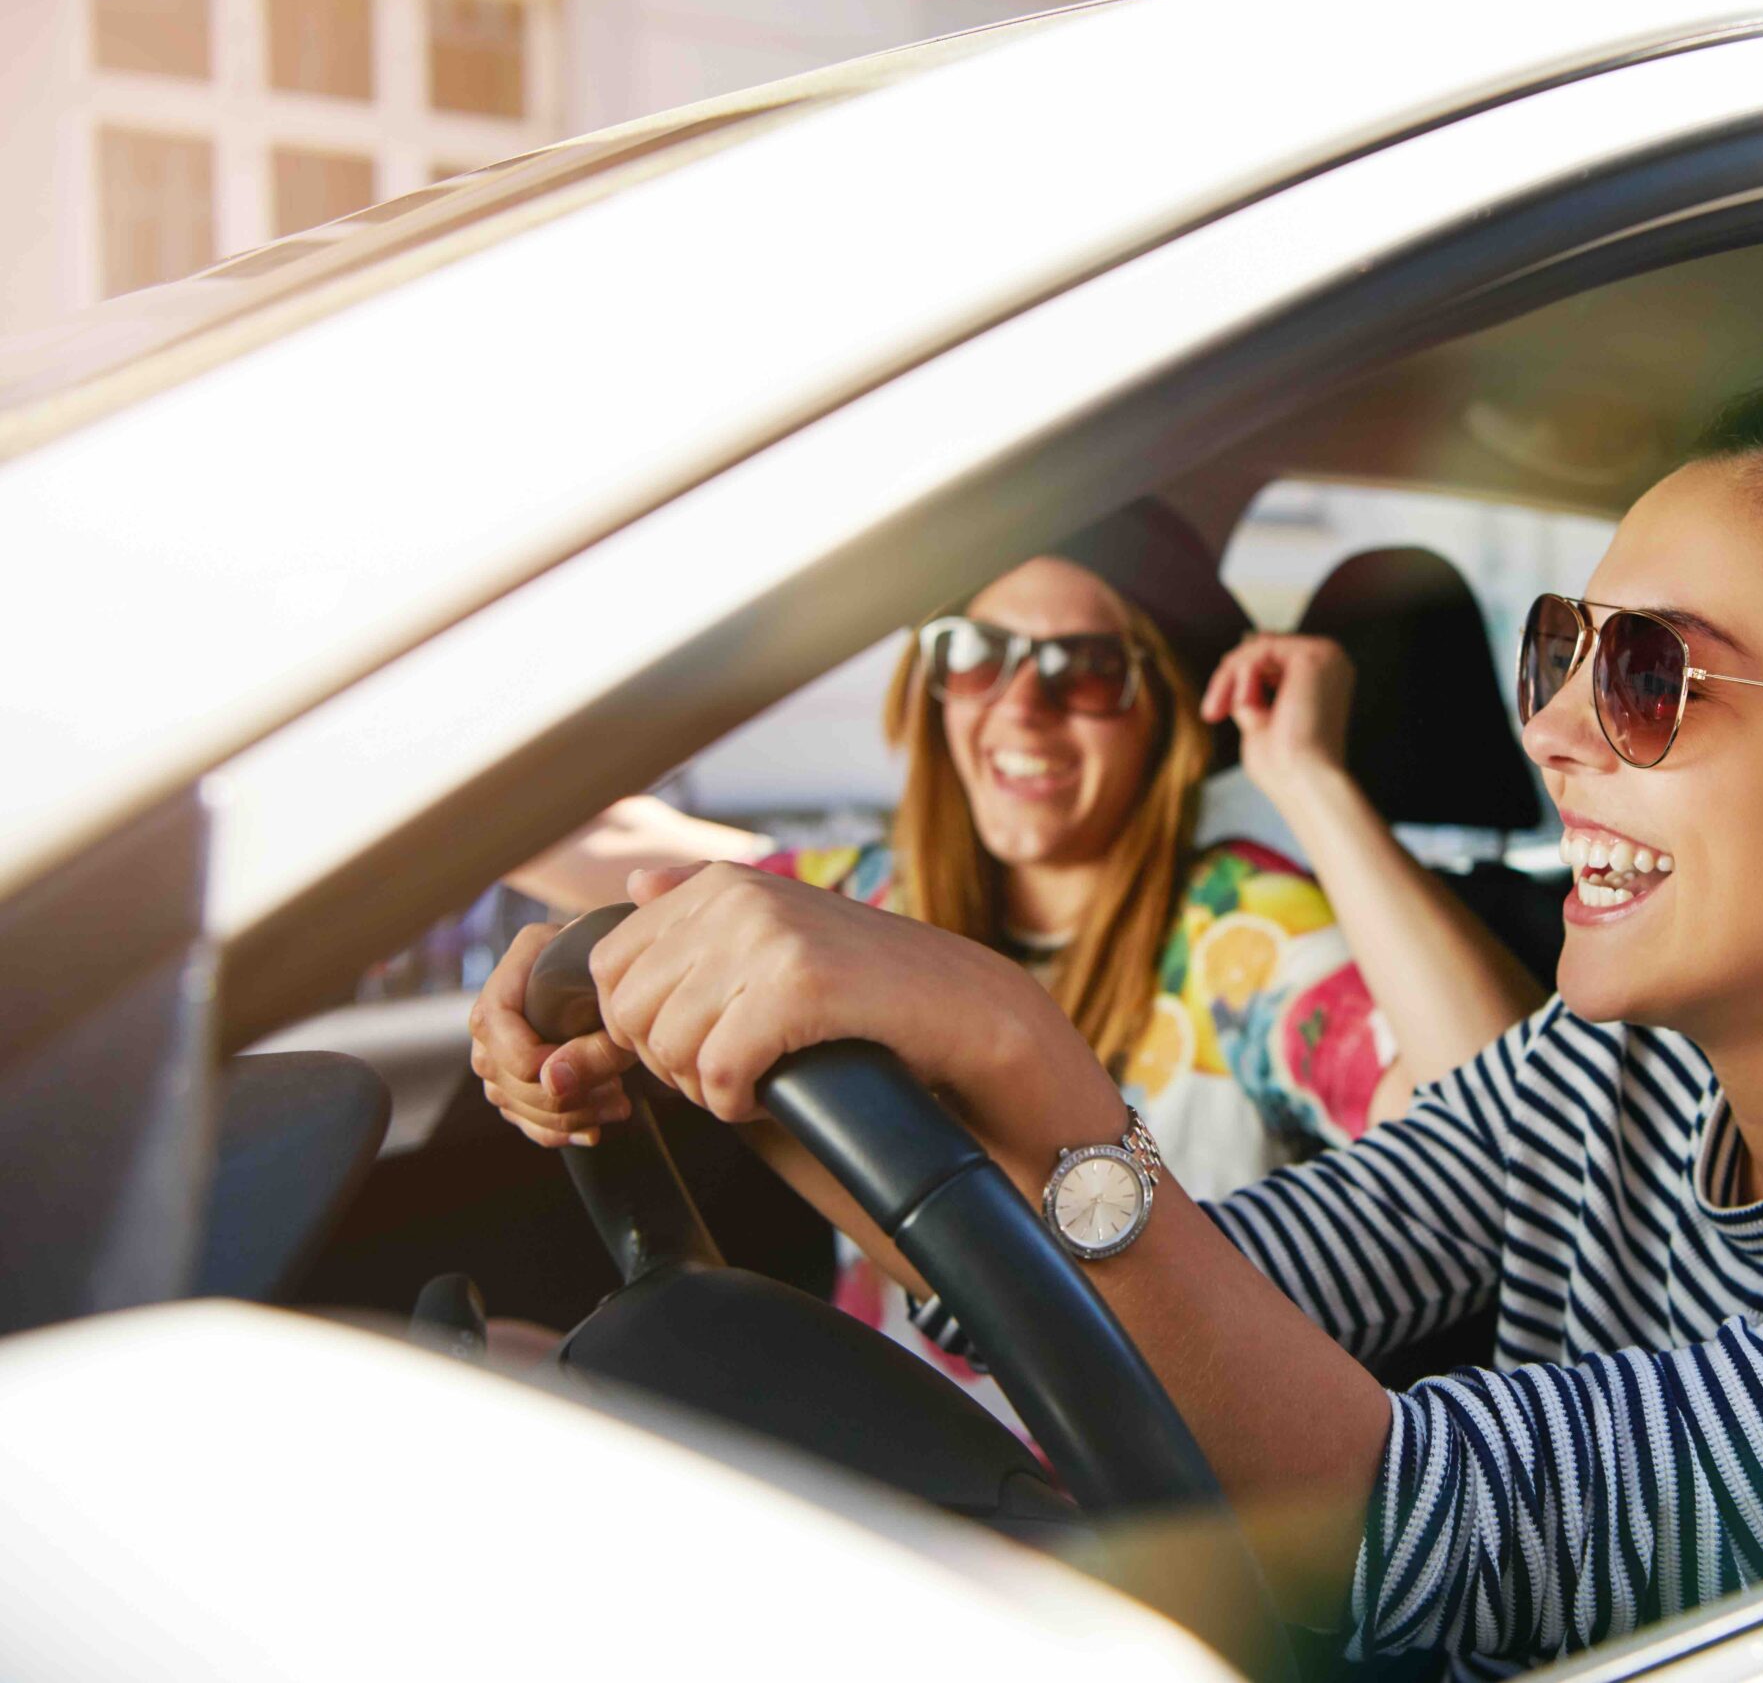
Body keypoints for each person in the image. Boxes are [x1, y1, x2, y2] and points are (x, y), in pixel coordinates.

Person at [474, 332, 1763, 1675]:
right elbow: (1167, 1289)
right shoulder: (1603, 1074)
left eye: (1648, 675)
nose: (1547, 726)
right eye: (1562, 650)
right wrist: (722, 1045)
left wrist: (1022, 1050)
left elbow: (1429, 1545)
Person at [490, 501, 1545, 1412]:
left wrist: (1308, 778)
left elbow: (1516, 1127)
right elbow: (604, 860)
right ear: (934, 687)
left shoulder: (1240, 927)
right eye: (975, 654)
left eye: (1086, 671)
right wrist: (546, 996)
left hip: (1134, 1491)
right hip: (893, 1440)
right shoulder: (861, 902)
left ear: (1164, 716)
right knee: (504, 1369)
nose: (1021, 704)